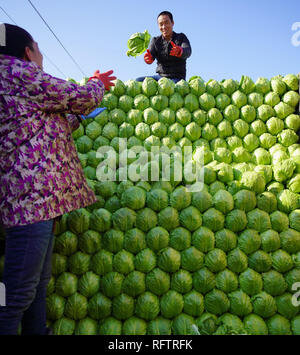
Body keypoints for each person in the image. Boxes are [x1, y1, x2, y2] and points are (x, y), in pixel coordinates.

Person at [0, 23, 116, 335]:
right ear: (27, 51)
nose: (41, 55)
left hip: (30, 202)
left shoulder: (10, 82)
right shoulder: (19, 73)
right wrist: (96, 83)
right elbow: (80, 97)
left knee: (36, 287)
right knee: (15, 295)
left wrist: (74, 120)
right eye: (38, 48)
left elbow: (35, 129)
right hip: (31, 201)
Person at [136, 11, 192, 83]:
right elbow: (150, 54)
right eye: (161, 24)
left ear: (172, 23)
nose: (164, 27)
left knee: (170, 86)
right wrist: (148, 59)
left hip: (177, 78)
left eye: (166, 23)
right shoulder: (155, 40)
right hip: (160, 77)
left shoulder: (181, 37)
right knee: (138, 81)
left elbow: (188, 51)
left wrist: (180, 51)